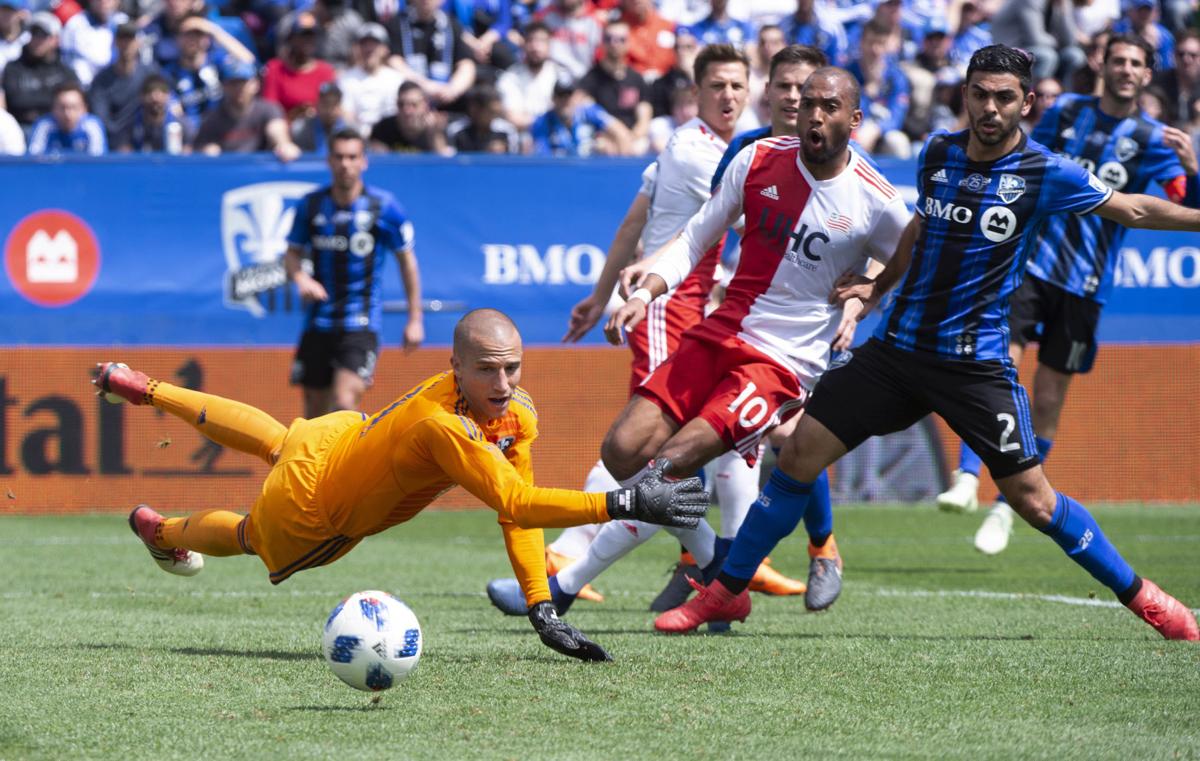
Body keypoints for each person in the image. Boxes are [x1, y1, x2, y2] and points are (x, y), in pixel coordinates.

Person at [659, 45, 1200, 642]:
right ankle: (725, 594)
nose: (989, 109)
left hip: (974, 366)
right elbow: (920, 228)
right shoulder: (938, 153)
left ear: (1028, 104)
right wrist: (876, 284)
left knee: (1034, 500)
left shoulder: (1046, 172)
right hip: (896, 354)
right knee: (798, 455)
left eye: (1003, 98)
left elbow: (1136, 209)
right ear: (964, 95)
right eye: (979, 95)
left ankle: (1147, 600)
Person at [96, 310, 709, 663]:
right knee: (249, 534)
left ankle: (147, 389)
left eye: (512, 366)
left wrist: (540, 604)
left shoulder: (510, 412)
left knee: (279, 439)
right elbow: (516, 503)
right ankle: (164, 532)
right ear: (456, 368)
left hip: (334, 440)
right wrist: (626, 500)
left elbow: (516, 514)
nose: (503, 382)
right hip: (317, 512)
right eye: (487, 369)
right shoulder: (445, 428)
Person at [492, 46, 839, 618]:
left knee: (739, 446)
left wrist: (602, 293)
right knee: (653, 452)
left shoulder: (763, 156)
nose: (731, 95)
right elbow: (744, 231)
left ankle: (736, 562)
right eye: (719, 85)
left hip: (727, 319)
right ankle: (713, 563)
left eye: (738, 85)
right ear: (698, 92)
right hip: (672, 306)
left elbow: (641, 218)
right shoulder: (713, 151)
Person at [936, 35, 1200, 554]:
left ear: (1148, 75)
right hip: (1030, 267)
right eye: (1118, 60)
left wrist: (1191, 171)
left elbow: (1174, 200)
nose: (1125, 70)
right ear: (1103, 65)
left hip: (1085, 285)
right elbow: (1026, 154)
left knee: (1049, 398)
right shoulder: (1067, 113)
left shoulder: (1151, 139)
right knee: (994, 362)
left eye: (1136, 64)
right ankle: (968, 476)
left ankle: (1004, 508)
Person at [284, 128, 423, 419]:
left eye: (352, 157)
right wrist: (300, 278)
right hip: (318, 322)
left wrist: (415, 319)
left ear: (364, 162)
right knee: (313, 414)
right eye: (339, 157)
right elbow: (292, 253)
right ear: (329, 161)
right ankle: (317, 466)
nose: (345, 164)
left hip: (360, 322)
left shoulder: (384, 207)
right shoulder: (310, 205)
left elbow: (407, 261)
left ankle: (346, 465)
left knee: (345, 401)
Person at [194, 59, 302, 161]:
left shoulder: (268, 110)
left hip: (262, 172)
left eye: (243, 83)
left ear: (255, 85)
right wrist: (208, 153)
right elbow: (201, 149)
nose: (238, 89)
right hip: (228, 174)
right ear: (224, 86)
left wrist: (283, 145)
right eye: (233, 83)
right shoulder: (212, 118)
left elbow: (276, 129)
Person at [580, 19, 651, 154]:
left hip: (632, 139)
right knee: (604, 148)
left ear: (629, 43)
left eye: (621, 39)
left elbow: (644, 118)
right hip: (603, 137)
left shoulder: (636, 78)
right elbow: (588, 109)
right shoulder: (591, 78)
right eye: (609, 39)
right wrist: (617, 132)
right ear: (602, 42)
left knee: (641, 147)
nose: (614, 44)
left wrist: (631, 137)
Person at [2, 12, 76, 129]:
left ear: (56, 39)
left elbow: (74, 102)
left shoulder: (65, 72)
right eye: (34, 33)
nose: (37, 39)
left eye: (43, 35)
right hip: (22, 128)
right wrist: (52, 103)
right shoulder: (13, 68)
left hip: (57, 129)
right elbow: (16, 101)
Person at [88, 21, 158, 147]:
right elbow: (102, 120)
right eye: (122, 39)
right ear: (115, 42)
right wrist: (121, 141)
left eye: (130, 39)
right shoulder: (101, 80)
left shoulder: (150, 74)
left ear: (138, 43)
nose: (126, 44)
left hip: (145, 140)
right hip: (113, 144)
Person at [262, 11, 338, 121]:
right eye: (303, 36)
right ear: (291, 39)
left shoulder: (325, 71)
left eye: (311, 36)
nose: (307, 41)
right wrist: (294, 115)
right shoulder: (275, 68)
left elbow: (332, 108)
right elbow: (268, 112)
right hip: (283, 129)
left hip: (318, 130)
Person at [528, 75, 630, 156]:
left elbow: (621, 132)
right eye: (560, 96)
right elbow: (544, 159)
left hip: (590, 173)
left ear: (577, 97)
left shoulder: (590, 112)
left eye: (569, 95)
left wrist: (612, 153)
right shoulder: (542, 122)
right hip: (558, 174)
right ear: (553, 98)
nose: (565, 101)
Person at [338, 22, 405, 136]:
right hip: (355, 136)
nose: (369, 49)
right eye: (364, 44)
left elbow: (396, 114)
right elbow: (345, 113)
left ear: (385, 49)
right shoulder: (346, 79)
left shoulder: (396, 79)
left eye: (374, 44)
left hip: (388, 138)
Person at [114, 73, 192, 153]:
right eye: (149, 92)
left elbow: (191, 152)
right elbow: (123, 153)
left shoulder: (181, 125)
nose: (155, 98)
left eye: (162, 92)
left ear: (169, 96)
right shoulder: (131, 126)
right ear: (141, 96)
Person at [368, 80, 450, 153]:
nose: (407, 111)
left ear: (425, 105)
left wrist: (435, 135)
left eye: (414, 105)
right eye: (401, 104)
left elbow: (446, 163)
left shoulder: (438, 127)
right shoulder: (383, 129)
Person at [27, 81, 106, 155]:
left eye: (74, 107)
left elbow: (98, 161)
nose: (68, 114)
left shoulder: (92, 126)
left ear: (84, 109)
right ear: (53, 109)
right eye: (62, 107)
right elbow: (34, 160)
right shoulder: (44, 125)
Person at [446, 82, 520, 153]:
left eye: (497, 113)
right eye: (491, 112)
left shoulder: (507, 131)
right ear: (475, 109)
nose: (494, 117)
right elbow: (450, 160)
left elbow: (513, 161)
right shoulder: (456, 131)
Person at [292, 81, 350, 154]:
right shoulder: (301, 129)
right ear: (317, 104)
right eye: (326, 104)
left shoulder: (350, 129)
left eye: (334, 104)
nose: (330, 110)